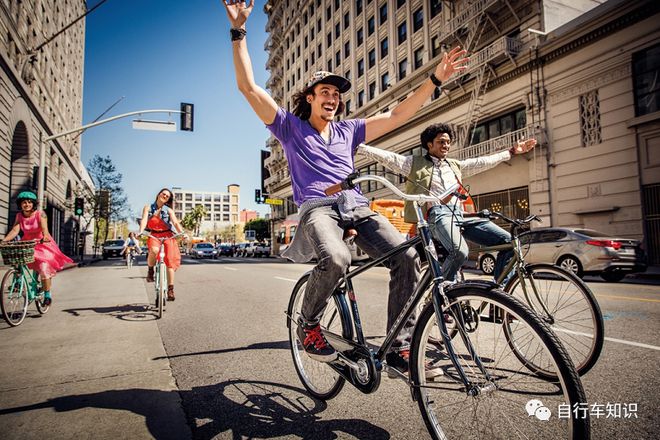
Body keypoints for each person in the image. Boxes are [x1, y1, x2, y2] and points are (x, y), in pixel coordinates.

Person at [222, 0, 469, 372]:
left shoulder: (349, 130)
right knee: (337, 259)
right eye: (325, 91)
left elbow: (399, 114)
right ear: (310, 97)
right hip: (318, 207)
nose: (333, 98)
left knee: (406, 257)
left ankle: (400, 348)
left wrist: (434, 80)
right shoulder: (289, 127)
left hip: (356, 206)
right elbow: (248, 87)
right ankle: (308, 324)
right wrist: (239, 31)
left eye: (337, 94)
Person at [357, 123, 536, 283]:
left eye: (448, 142)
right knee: (460, 252)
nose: (446, 145)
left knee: (509, 241)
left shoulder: (454, 165)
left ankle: (500, 294)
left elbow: (482, 162)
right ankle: (444, 293)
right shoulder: (413, 163)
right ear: (429, 144)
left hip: (461, 215)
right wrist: (359, 147)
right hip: (437, 215)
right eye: (441, 142)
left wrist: (511, 152)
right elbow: (388, 158)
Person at [1, 191, 73, 305]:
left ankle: (47, 295)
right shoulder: (19, 216)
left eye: (29, 202)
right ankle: (18, 280)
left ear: (33, 204)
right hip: (27, 242)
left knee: (44, 269)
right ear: (20, 204)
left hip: (42, 243)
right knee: (18, 259)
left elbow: (45, 229)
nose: (27, 204)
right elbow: (15, 230)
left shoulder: (41, 214)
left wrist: (45, 237)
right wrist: (4, 240)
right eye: (24, 202)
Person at [139, 188, 184, 301]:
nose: (164, 196)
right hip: (154, 235)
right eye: (163, 194)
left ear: (168, 199)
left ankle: (170, 289)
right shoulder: (148, 207)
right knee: (154, 251)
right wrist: (141, 231)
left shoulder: (168, 210)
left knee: (170, 260)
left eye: (167, 196)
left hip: (168, 235)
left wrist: (182, 233)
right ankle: (150, 270)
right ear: (159, 194)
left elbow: (175, 222)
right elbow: (144, 220)